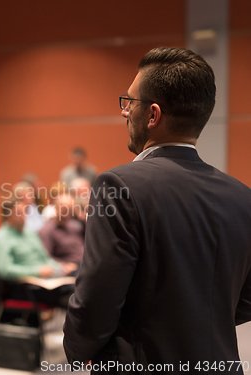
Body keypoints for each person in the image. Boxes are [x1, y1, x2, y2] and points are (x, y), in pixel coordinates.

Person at [63, 47, 251, 373]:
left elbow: (97, 300)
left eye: (130, 102)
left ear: (152, 115)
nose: (125, 112)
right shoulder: (242, 197)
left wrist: (78, 352)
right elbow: (246, 301)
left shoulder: (119, 185)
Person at [38, 194, 84, 265]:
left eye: (70, 210)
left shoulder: (74, 226)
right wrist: (64, 266)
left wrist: (80, 216)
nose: (67, 214)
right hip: (70, 268)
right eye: (65, 210)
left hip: (84, 264)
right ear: (56, 208)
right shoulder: (47, 230)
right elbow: (46, 258)